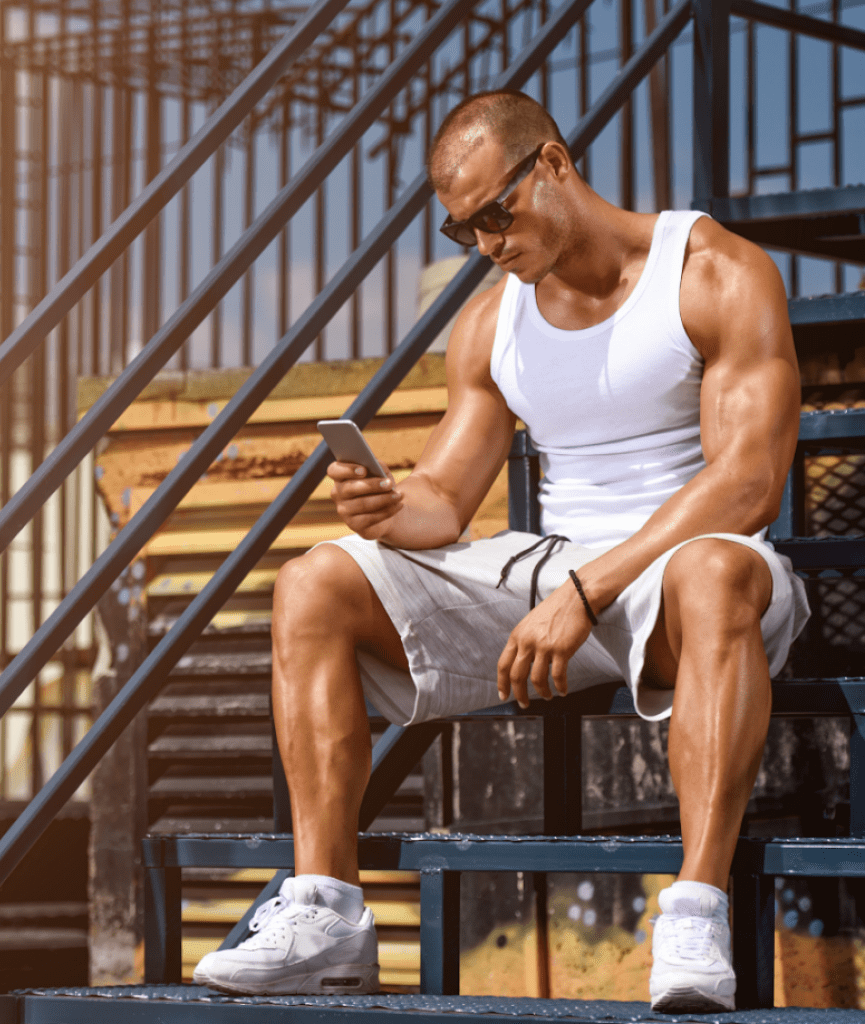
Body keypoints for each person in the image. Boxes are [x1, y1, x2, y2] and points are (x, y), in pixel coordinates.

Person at [193, 89, 809, 1012]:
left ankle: (694, 911)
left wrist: (588, 590)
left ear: (553, 165)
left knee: (716, 567)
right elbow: (446, 500)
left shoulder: (713, 270)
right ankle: (327, 914)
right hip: (551, 574)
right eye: (462, 228)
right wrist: (388, 504)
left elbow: (748, 482)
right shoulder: (490, 323)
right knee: (315, 581)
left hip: (685, 578)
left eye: (496, 212)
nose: (486, 242)